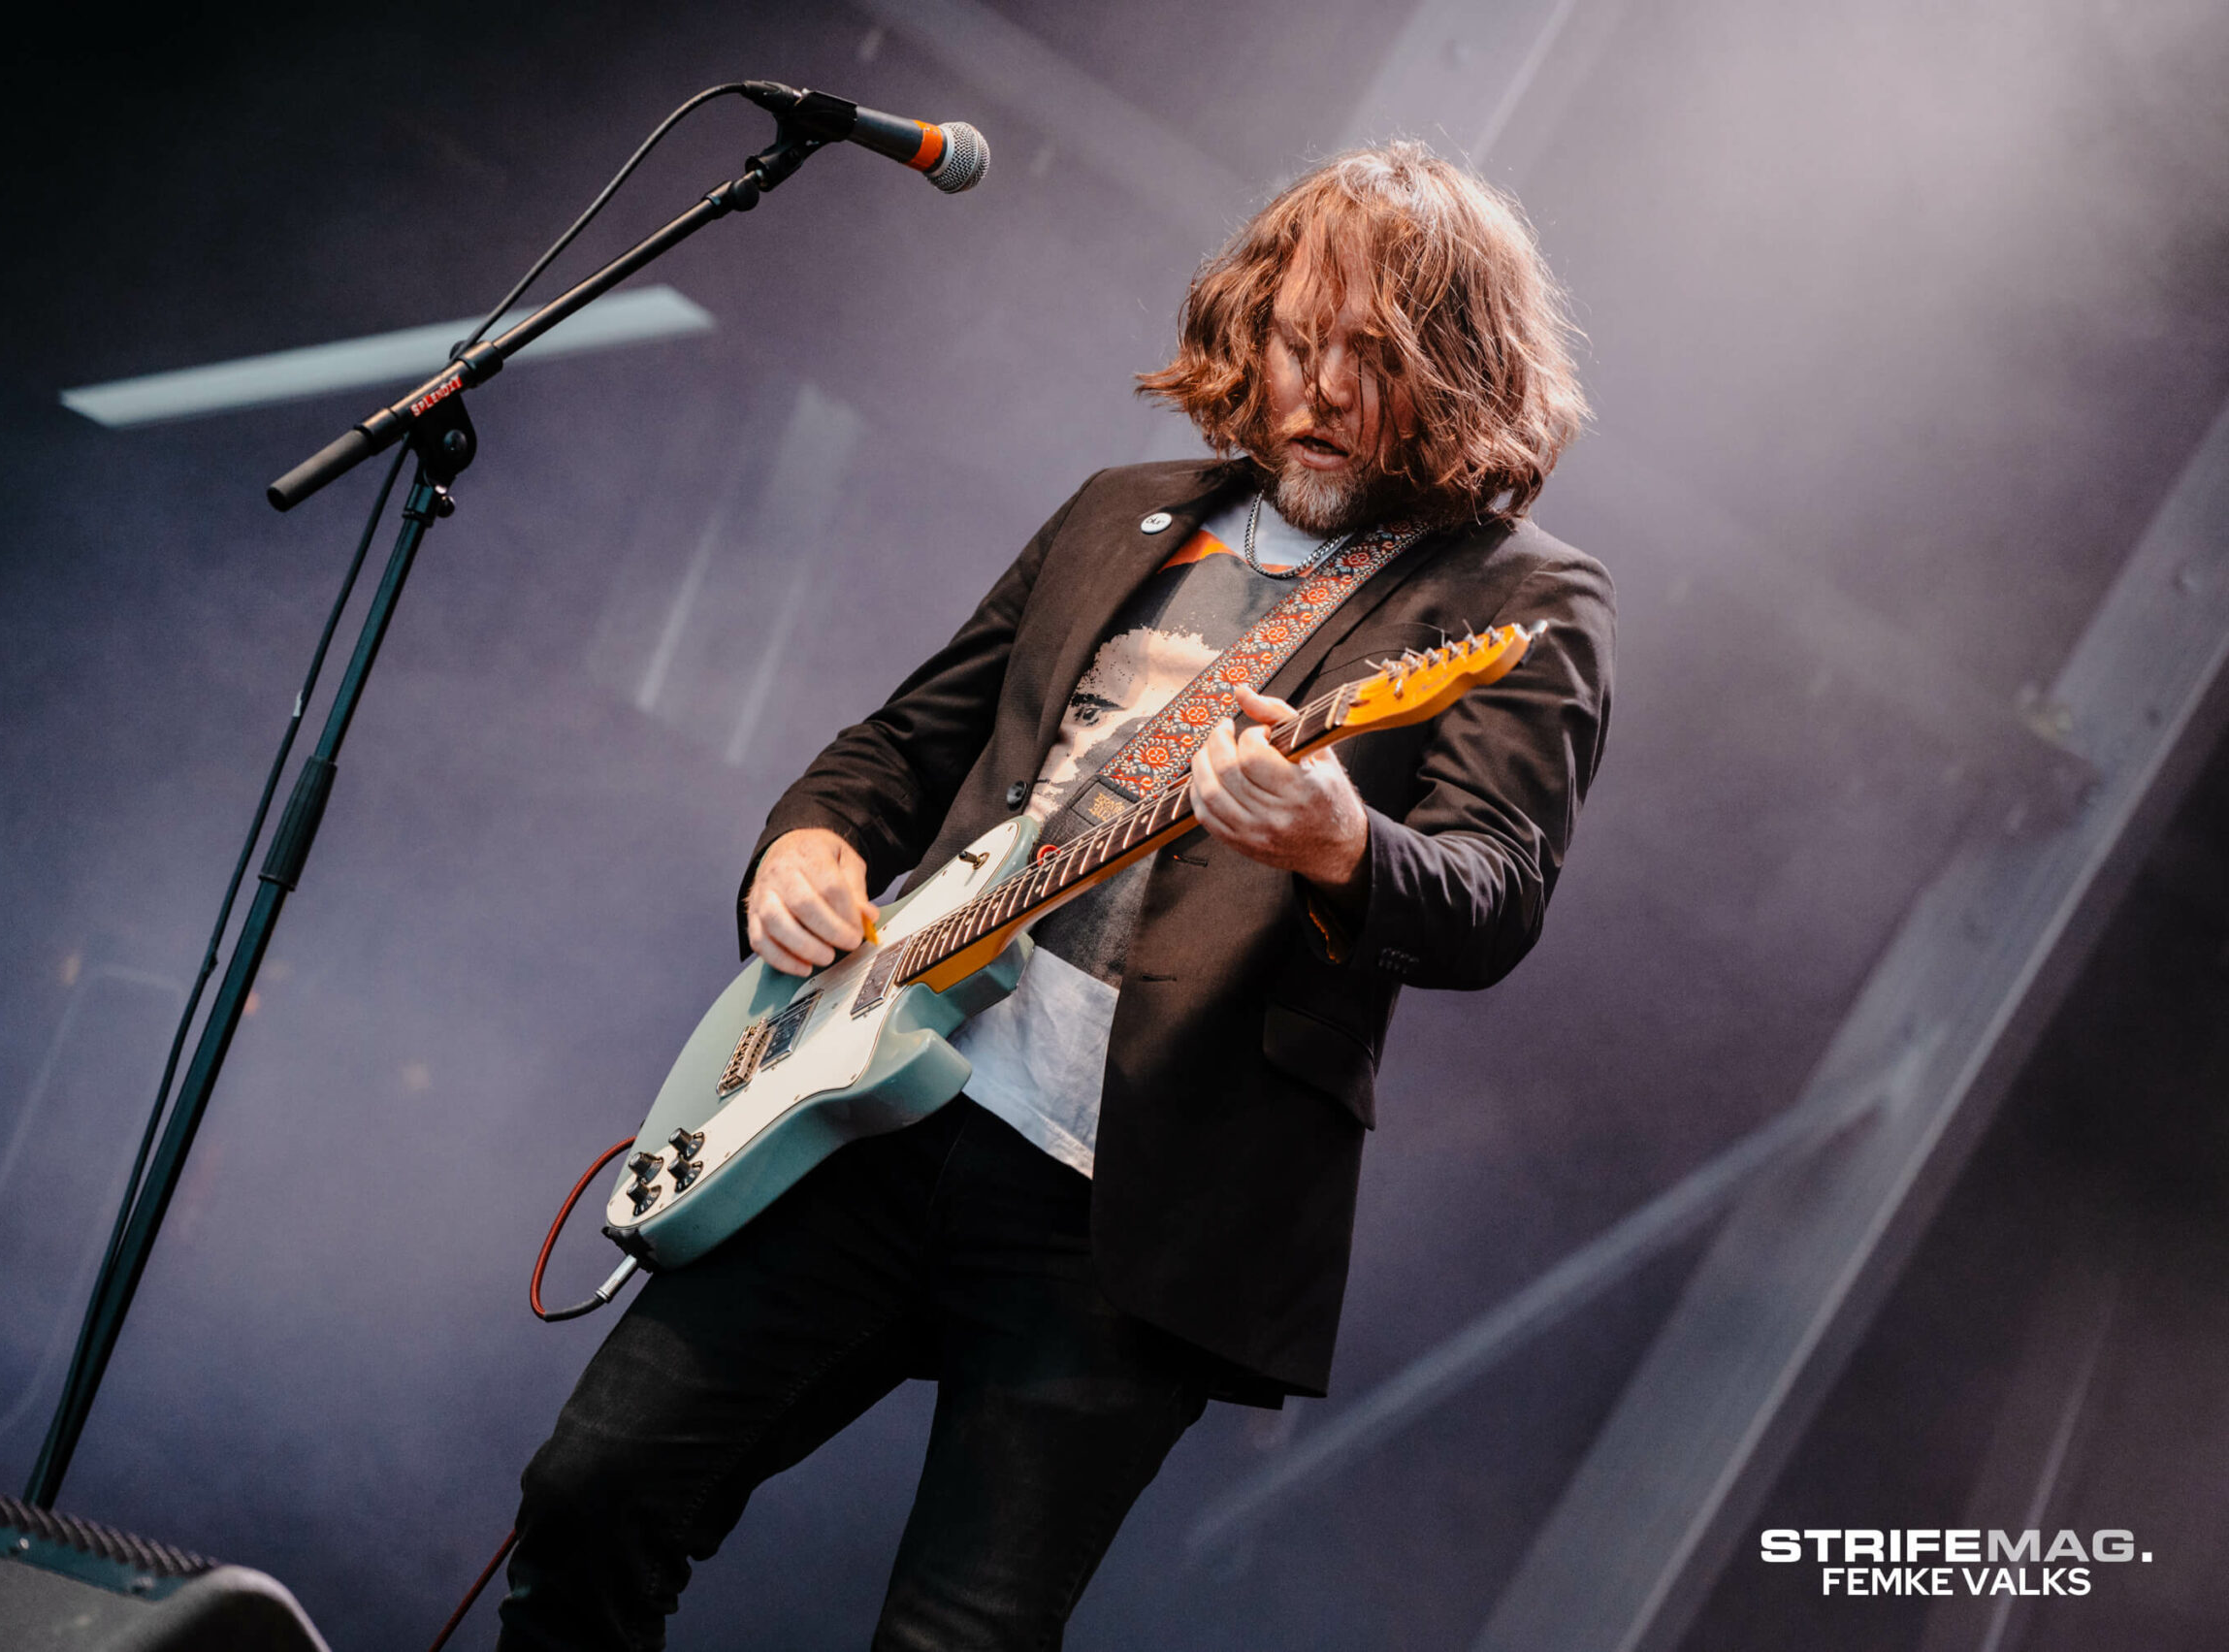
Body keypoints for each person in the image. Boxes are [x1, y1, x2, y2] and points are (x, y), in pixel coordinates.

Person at [500, 141, 1613, 1652]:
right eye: (1298, 342)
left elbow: (1491, 894)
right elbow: (905, 745)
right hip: (872, 1108)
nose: (1322, 390)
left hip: (1126, 1208)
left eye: (1373, 356)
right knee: (590, 1494)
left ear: (1461, 372)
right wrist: (806, 845)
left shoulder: (1515, 598)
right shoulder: (1122, 509)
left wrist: (1339, 836)